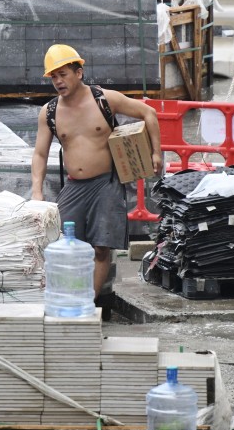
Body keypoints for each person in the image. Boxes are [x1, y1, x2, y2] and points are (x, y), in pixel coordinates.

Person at [31, 44, 162, 298]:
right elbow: (40, 153)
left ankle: (89, 302)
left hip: (107, 184)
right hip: (74, 186)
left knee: (102, 247)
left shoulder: (105, 99)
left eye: (63, 74)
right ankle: (68, 297)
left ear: (79, 73)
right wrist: (36, 190)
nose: (58, 81)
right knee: (61, 243)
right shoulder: (49, 112)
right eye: (54, 77)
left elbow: (149, 112)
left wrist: (156, 152)